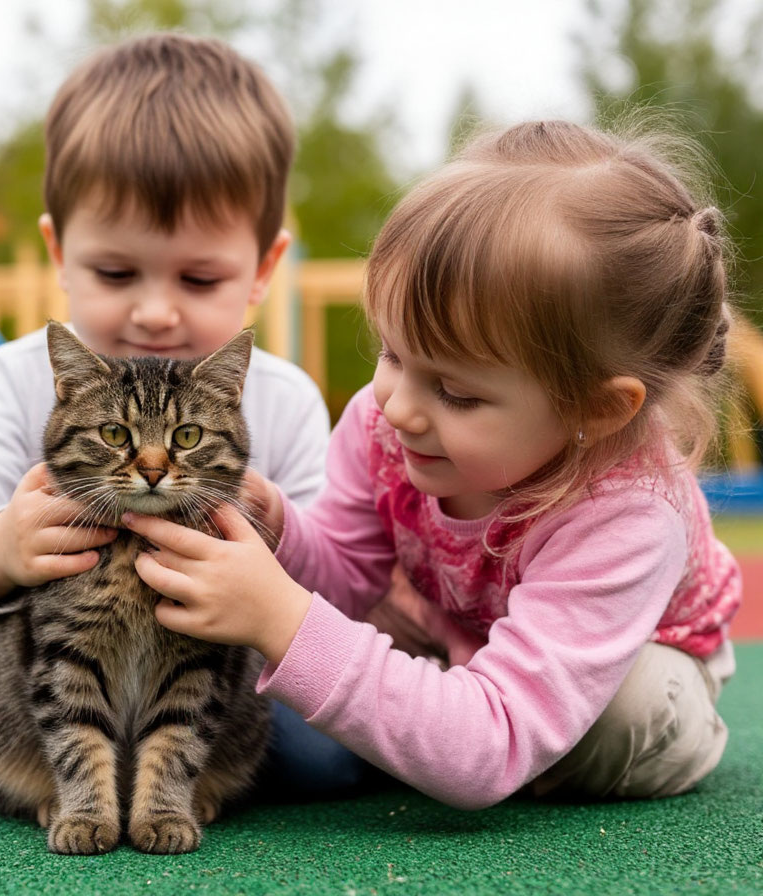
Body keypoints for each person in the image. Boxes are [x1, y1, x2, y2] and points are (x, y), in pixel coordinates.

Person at [125, 119, 743, 809]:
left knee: (618, 715)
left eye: (456, 392)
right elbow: (348, 577)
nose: (398, 407)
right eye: (391, 354)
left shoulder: (628, 509)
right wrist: (279, 531)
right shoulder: (384, 423)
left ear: (596, 411)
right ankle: (445, 708)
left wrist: (282, 620)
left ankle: (565, 728)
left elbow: (489, 747)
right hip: (462, 632)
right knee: (371, 653)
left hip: (627, 663)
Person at [0, 33, 341, 790]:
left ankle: (173, 780)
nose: (155, 312)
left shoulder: (284, 396)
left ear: (264, 269)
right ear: (59, 255)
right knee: (6, 705)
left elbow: (342, 577)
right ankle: (61, 771)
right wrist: (1, 548)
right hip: (59, 687)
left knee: (325, 759)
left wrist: (275, 540)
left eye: (199, 279)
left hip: (214, 690)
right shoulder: (20, 376)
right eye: (114, 271)